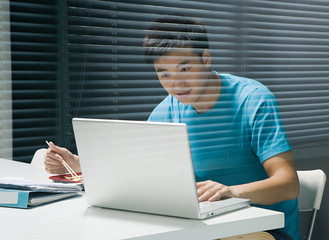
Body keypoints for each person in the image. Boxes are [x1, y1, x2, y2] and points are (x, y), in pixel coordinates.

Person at [44, 15, 300, 240]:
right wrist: (78, 164)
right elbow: (139, 172)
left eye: (185, 68)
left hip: (264, 230)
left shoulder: (254, 100)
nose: (176, 83)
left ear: (206, 58)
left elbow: (288, 184)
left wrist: (231, 192)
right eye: (164, 74)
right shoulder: (166, 111)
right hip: (200, 227)